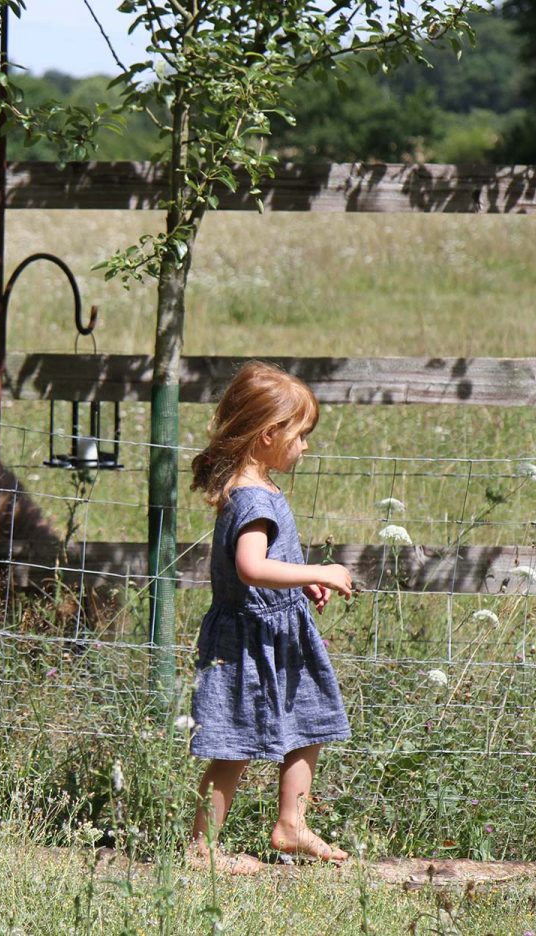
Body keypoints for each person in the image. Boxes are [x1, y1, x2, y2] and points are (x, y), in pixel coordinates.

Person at [185, 361, 354, 873]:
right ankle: (201, 850)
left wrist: (302, 582)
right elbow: (251, 566)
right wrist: (317, 568)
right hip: (248, 641)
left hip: (280, 630)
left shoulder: (250, 487)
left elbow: (262, 568)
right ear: (267, 435)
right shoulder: (255, 498)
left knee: (309, 723)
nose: (304, 447)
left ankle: (291, 824)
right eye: (300, 436)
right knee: (233, 743)